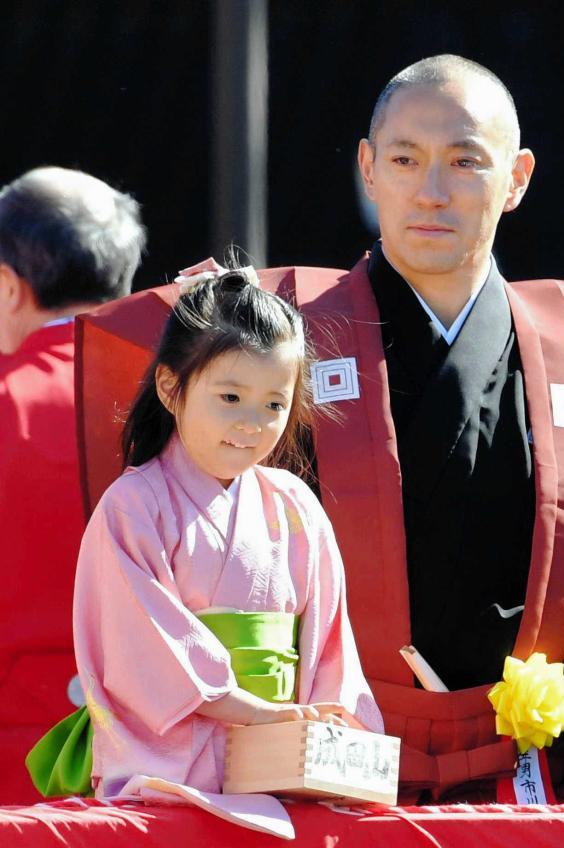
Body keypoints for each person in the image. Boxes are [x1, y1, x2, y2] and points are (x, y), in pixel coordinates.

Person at [72, 55, 564, 802]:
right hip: (318, 781)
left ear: (518, 177)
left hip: (534, 781)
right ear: (368, 168)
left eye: (466, 161)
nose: (432, 191)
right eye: (405, 159)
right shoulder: (277, 352)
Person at [35, 266, 381, 807]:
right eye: (230, 397)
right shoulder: (134, 506)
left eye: (274, 404)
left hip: (278, 763)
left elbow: (329, 645)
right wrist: (252, 709)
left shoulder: (296, 506)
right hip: (174, 763)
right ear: (172, 387)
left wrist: (320, 729)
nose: (252, 424)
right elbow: (146, 650)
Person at [0, 167, 145, 803]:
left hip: (17, 761)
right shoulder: (193, 398)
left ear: (8, 288)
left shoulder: (9, 400)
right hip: (170, 758)